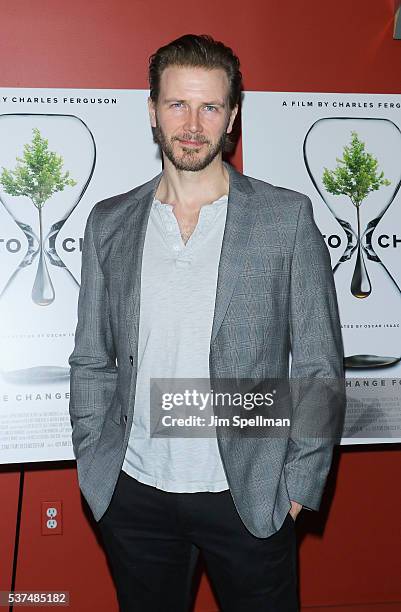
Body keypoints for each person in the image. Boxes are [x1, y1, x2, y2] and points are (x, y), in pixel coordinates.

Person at [69, 34, 345, 612]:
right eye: (177, 105)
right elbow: (93, 358)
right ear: (152, 110)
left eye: (210, 107)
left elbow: (320, 366)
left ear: (233, 116)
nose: (192, 124)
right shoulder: (108, 222)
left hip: (248, 496)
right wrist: (98, 464)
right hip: (134, 495)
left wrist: (298, 486)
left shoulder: (285, 218)